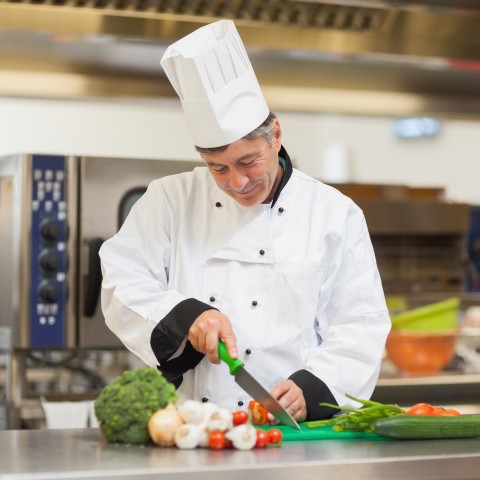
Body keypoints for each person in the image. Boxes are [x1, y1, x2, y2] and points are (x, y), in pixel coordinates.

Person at [99, 19, 391, 423]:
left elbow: (361, 326)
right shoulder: (168, 199)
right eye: (217, 168)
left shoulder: (334, 214)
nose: (236, 182)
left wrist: (311, 388)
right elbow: (121, 282)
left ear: (275, 134)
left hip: (294, 434)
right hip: (193, 430)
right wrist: (187, 315)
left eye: (247, 161)